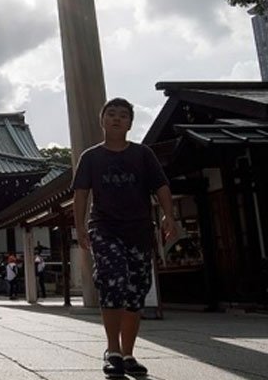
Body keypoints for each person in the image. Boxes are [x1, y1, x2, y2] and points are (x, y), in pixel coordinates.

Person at [73, 97, 176, 378]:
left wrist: (169, 215)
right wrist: (80, 227)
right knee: (113, 278)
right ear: (102, 120)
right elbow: (81, 193)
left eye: (123, 115)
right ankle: (113, 350)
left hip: (139, 229)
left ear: (130, 123)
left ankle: (128, 353)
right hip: (105, 227)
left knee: (135, 291)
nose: (117, 118)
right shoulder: (91, 157)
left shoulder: (143, 155)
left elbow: (161, 186)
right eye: (111, 114)